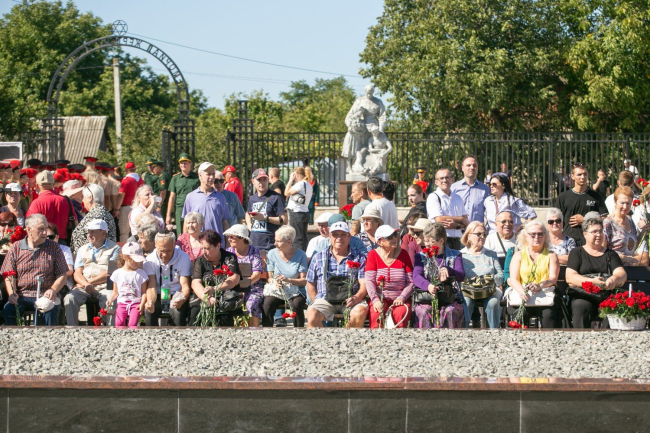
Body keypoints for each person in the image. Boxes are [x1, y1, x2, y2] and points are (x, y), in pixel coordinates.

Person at [2, 214, 69, 326]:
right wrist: (12, 293)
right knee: (9, 309)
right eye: (41, 229)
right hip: (22, 295)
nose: (45, 232)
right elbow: (9, 275)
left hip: (45, 294)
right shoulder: (15, 248)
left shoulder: (54, 247)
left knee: (49, 308)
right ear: (29, 229)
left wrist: (53, 290)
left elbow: (62, 274)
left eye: (45, 228)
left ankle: (50, 336)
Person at [565, 215, 627, 328]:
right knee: (579, 306)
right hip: (583, 295)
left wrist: (613, 280)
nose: (598, 235)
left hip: (606, 295)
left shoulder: (611, 254)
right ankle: (580, 337)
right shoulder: (577, 252)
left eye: (600, 231)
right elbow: (570, 277)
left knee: (613, 306)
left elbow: (621, 274)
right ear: (585, 234)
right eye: (594, 232)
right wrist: (592, 282)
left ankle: (610, 337)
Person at [306, 221, 368, 328]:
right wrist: (316, 300)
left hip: (351, 299)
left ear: (349, 237)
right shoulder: (318, 256)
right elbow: (310, 282)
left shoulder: (360, 257)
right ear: (330, 237)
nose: (339, 238)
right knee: (312, 314)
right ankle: (323, 338)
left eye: (343, 234)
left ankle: (349, 337)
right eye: (335, 234)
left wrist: (356, 298)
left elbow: (364, 284)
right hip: (325, 299)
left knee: (360, 312)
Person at [65, 219, 120, 326]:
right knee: (70, 298)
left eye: (93, 231)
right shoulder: (82, 249)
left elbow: (110, 272)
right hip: (84, 286)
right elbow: (77, 272)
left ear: (103, 232)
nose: (89, 234)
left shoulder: (115, 248)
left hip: (105, 286)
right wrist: (85, 284)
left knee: (111, 299)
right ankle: (72, 329)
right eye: (88, 231)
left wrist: (89, 283)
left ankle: (111, 330)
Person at [506, 220, 560, 328]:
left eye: (540, 234)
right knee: (519, 314)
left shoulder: (551, 255)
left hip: (545, 295)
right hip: (523, 294)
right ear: (526, 236)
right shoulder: (518, 255)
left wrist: (539, 285)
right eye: (533, 234)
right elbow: (513, 279)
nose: (536, 237)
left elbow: (553, 278)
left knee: (548, 314)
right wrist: (521, 291)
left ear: (545, 236)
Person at [412, 222, 466, 328]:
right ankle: (425, 338)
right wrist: (428, 286)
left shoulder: (455, 255)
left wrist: (448, 270)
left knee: (450, 311)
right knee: (423, 311)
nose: (427, 244)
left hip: (449, 297)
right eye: (425, 240)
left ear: (441, 241)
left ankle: (450, 338)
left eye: (431, 241)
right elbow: (416, 276)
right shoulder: (421, 256)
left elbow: (461, 276)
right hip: (427, 297)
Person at [189, 230, 242, 326]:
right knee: (195, 311)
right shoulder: (200, 261)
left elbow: (234, 279)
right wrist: (206, 298)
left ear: (218, 245)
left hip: (224, 296)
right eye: (202, 248)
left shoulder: (229, 258)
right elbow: (195, 283)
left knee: (223, 310)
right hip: (204, 296)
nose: (204, 252)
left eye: (207, 248)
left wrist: (214, 289)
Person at [365, 225, 414, 328]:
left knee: (401, 313)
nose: (394, 238)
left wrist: (402, 297)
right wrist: (375, 300)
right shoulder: (373, 255)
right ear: (380, 242)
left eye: (395, 235)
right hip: (379, 297)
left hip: (400, 298)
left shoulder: (404, 254)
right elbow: (369, 281)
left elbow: (411, 281)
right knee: (376, 313)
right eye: (390, 237)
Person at [460, 221, 504, 328]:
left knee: (493, 303)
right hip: (468, 291)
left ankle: (494, 332)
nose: (482, 237)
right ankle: (462, 331)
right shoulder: (461, 255)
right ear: (469, 236)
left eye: (484, 234)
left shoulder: (491, 254)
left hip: (489, 290)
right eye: (478, 234)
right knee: (466, 303)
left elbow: (500, 275)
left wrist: (490, 280)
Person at [143, 232, 192, 326]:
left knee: (178, 313)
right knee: (149, 311)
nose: (165, 255)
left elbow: (185, 286)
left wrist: (182, 298)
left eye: (168, 251)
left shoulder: (184, 258)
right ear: (155, 244)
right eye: (161, 251)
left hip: (177, 293)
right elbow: (151, 285)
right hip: (157, 293)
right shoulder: (149, 260)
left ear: (175, 244)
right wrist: (150, 301)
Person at [264, 226, 308, 327]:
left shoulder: (301, 255)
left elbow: (304, 280)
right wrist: (275, 281)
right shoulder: (272, 253)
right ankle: (266, 331)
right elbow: (269, 277)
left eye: (278, 241)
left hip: (296, 290)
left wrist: (288, 280)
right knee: (267, 304)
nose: (275, 244)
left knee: (296, 304)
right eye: (275, 240)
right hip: (277, 289)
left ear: (289, 242)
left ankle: (299, 331)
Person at [224, 224, 264, 327]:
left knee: (252, 303)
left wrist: (243, 288)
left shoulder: (254, 252)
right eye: (228, 236)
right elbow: (225, 274)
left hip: (252, 287)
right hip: (232, 287)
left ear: (242, 238)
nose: (229, 239)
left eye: (232, 237)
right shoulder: (228, 252)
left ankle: (254, 331)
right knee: (226, 300)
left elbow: (256, 275)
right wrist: (237, 289)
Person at [25, 171, 75, 245]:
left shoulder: (36, 203)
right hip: (62, 242)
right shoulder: (65, 200)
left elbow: (30, 225)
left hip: (43, 242)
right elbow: (74, 222)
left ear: (37, 185)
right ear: (53, 184)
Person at [107, 242, 149, 328]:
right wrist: (110, 299)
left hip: (135, 304)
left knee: (133, 324)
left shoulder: (141, 274)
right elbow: (115, 291)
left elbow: (144, 292)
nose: (137, 263)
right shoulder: (117, 273)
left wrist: (142, 304)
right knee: (119, 323)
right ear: (125, 257)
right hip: (122, 303)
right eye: (134, 260)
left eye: (138, 260)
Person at [603, 187, 649, 266]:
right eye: (622, 203)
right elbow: (602, 251)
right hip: (614, 268)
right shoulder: (608, 223)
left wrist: (644, 231)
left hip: (630, 268)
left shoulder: (630, 220)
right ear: (615, 202)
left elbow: (632, 246)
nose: (625, 207)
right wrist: (622, 257)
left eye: (628, 203)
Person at [182, 162, 230, 237]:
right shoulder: (190, 197)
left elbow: (225, 221)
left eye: (213, 174)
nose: (211, 177)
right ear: (200, 176)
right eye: (208, 174)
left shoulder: (220, 197)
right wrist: (185, 240)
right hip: (198, 242)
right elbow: (186, 222)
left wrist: (227, 242)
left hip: (217, 242)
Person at [426, 168, 468, 249]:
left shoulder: (458, 198)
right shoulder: (433, 197)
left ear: (452, 180)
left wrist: (456, 225)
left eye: (447, 177)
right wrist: (460, 219)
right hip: (440, 240)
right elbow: (439, 219)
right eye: (441, 178)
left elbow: (466, 221)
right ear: (436, 182)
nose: (444, 180)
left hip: (457, 241)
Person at [246, 168, 287, 252]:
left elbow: (284, 220)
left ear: (268, 180)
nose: (262, 183)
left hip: (270, 245)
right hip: (253, 243)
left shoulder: (276, 197)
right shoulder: (252, 199)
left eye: (264, 179)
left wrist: (265, 218)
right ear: (253, 181)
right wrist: (249, 225)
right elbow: (247, 213)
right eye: (259, 180)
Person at [71, 184, 117, 254]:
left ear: (90, 198)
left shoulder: (97, 215)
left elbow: (95, 241)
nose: (83, 200)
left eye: (83, 197)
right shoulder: (101, 212)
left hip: (93, 258)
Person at [166, 153, 200, 236]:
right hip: (180, 209)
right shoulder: (175, 179)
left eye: (185, 163)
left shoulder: (197, 178)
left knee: (194, 231)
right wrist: (168, 215)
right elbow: (172, 197)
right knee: (180, 234)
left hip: (193, 208)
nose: (183, 165)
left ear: (190, 164)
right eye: (181, 163)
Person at [451, 155, 491, 223]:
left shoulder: (485, 189)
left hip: (477, 228)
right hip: (458, 227)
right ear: (462, 168)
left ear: (477, 168)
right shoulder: (453, 188)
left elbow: (489, 212)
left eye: (474, 165)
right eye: (468, 165)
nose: (472, 168)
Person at [284, 167, 313, 251]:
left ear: (298, 175)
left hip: (296, 213)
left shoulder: (300, 184)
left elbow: (286, 192)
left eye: (294, 175)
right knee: (303, 237)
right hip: (305, 212)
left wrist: (290, 180)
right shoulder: (308, 184)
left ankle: (298, 256)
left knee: (297, 238)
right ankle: (304, 254)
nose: (294, 177)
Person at [115, 161, 143, 242]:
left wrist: (117, 209)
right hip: (138, 208)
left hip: (126, 208)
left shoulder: (126, 180)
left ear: (126, 170)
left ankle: (124, 248)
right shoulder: (141, 180)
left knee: (124, 232)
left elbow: (121, 195)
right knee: (136, 230)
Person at [47, 223, 74, 298]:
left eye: (51, 237)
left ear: (57, 237)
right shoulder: (41, 250)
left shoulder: (64, 250)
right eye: (45, 238)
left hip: (63, 286)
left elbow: (69, 270)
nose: (48, 240)